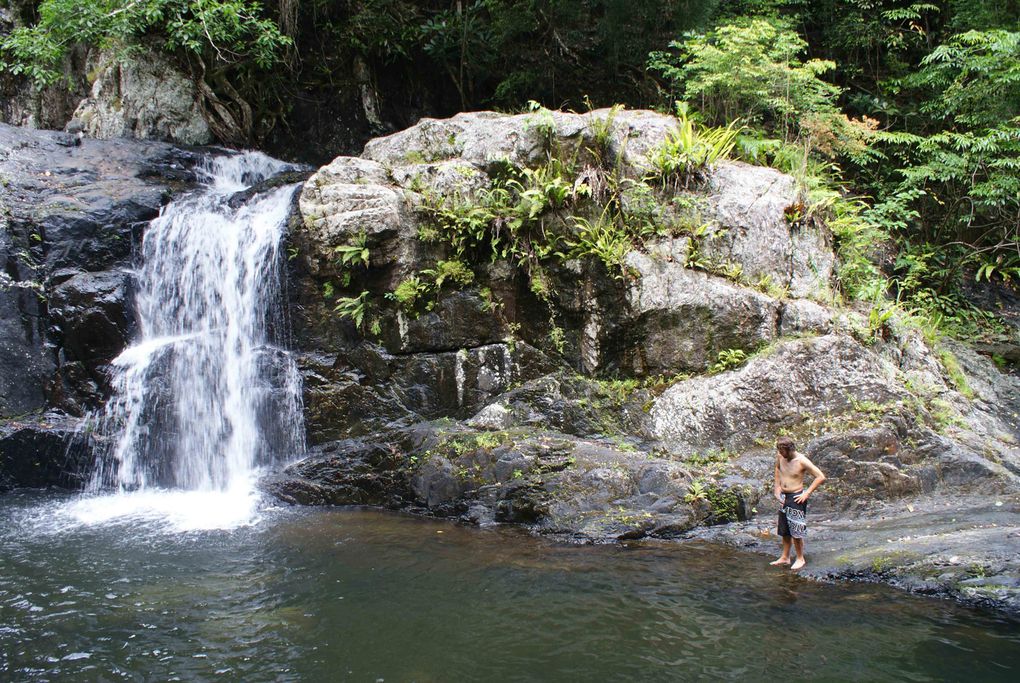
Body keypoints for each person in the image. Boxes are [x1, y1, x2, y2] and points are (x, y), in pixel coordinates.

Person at [769, 436, 826, 570]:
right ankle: (785, 557)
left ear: (789, 449)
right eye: (779, 451)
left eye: (782, 451)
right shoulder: (780, 457)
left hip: (796, 497)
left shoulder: (802, 461)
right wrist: (777, 488)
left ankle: (800, 558)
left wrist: (807, 493)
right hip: (784, 496)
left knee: (797, 530)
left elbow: (820, 476)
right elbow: (777, 469)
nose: (781, 454)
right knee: (784, 530)